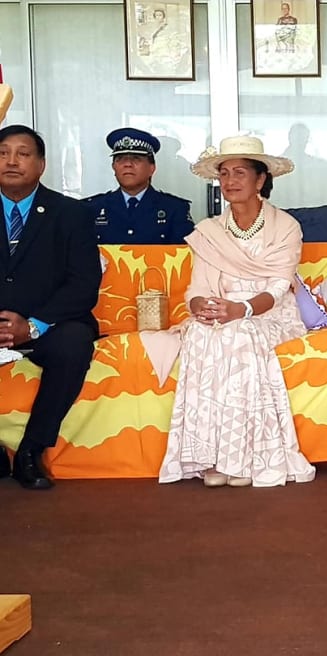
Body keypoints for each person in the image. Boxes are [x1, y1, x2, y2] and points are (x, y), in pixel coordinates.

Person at [142, 135, 315, 488]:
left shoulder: (286, 226)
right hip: (222, 310)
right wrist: (201, 309)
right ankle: (211, 456)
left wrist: (242, 309)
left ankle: (244, 459)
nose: (230, 181)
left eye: (239, 172)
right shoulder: (208, 231)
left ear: (261, 179)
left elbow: (279, 288)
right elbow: (196, 289)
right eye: (224, 173)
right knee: (201, 335)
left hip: (269, 313)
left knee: (240, 334)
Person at [0, 124, 102, 489]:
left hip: (50, 324)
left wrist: (34, 324)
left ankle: (31, 451)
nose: (12, 161)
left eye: (23, 153)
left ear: (41, 164)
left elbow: (84, 284)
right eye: (3, 153)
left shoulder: (70, 213)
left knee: (74, 344)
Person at [83, 127, 194, 244]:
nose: (127, 164)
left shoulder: (175, 209)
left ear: (152, 168)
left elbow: (184, 257)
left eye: (136, 159)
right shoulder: (91, 209)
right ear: (113, 167)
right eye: (120, 159)